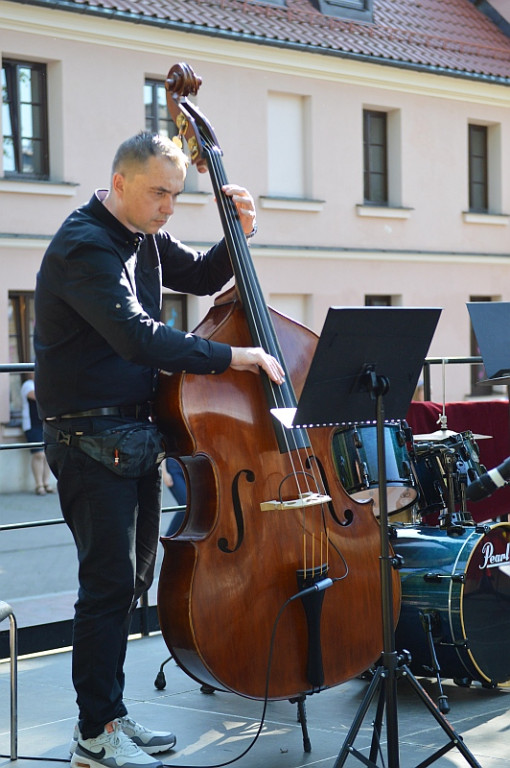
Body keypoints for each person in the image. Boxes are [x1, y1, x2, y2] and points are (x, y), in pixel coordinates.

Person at [34, 131, 284, 768]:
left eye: (176, 194)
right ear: (120, 183)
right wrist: (235, 356)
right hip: (89, 439)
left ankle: (109, 716)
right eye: (158, 193)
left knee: (128, 585)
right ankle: (94, 737)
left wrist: (240, 233)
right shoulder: (84, 246)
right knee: (106, 585)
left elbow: (200, 274)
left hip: (134, 436)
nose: (169, 206)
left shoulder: (142, 233)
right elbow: (138, 338)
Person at [20, 372, 54, 495]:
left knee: (48, 454)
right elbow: (37, 396)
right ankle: (38, 484)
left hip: (45, 424)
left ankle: (47, 483)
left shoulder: (43, 385)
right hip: (32, 425)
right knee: (38, 454)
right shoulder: (28, 385)